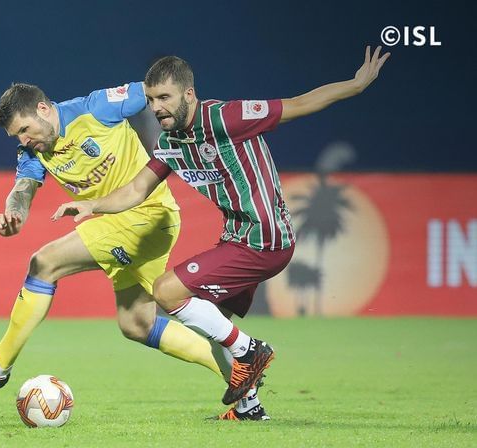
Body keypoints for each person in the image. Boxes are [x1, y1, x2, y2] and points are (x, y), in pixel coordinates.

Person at [53, 46, 390, 420]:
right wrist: (91, 206)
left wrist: (355, 85)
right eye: (150, 99)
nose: (157, 107)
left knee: (166, 291)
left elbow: (297, 103)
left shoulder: (226, 117)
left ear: (188, 95)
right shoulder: (170, 144)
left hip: (265, 239)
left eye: (165, 97)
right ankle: (249, 408)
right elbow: (135, 191)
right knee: (214, 324)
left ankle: (250, 350)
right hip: (239, 238)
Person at [0, 81, 227, 396]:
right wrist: (14, 215)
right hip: (135, 226)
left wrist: (198, 131)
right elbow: (23, 189)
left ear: (43, 109)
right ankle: (237, 373)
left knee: (45, 263)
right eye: (17, 136)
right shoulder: (34, 149)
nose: (23, 139)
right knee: (137, 324)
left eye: (25, 129)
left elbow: (157, 90)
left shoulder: (96, 108)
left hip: (147, 216)